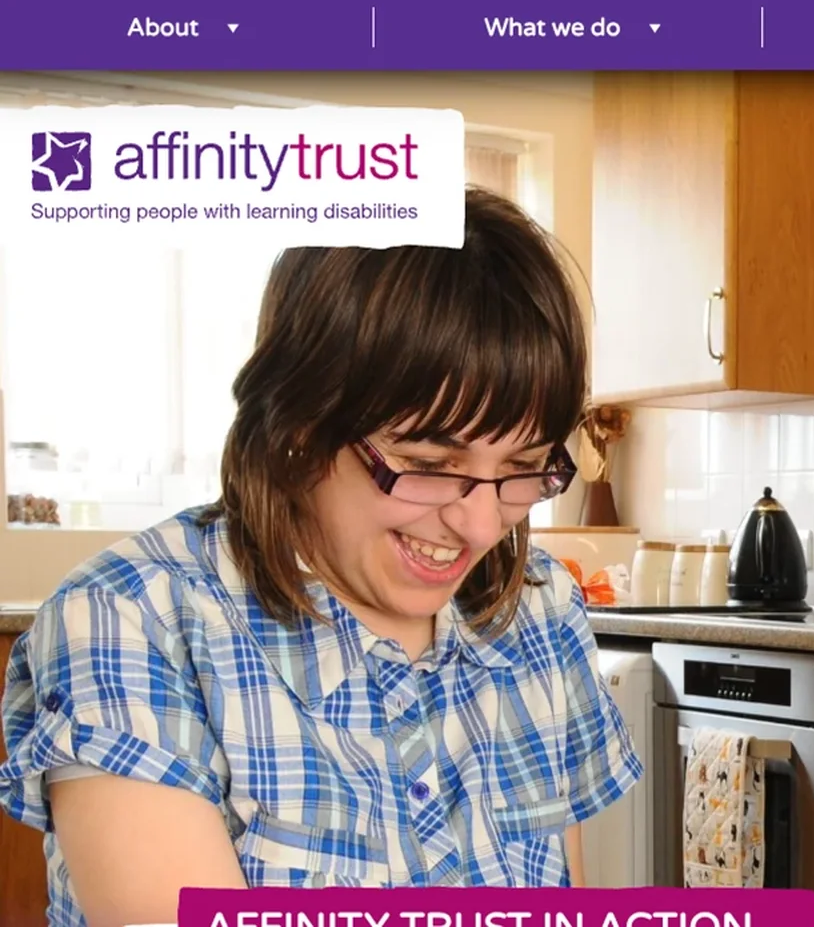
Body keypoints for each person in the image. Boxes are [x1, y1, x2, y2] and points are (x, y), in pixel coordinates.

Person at [0, 188, 644, 927]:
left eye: (523, 466)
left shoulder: (539, 611)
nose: (476, 523)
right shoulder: (131, 621)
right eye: (428, 461)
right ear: (299, 424)